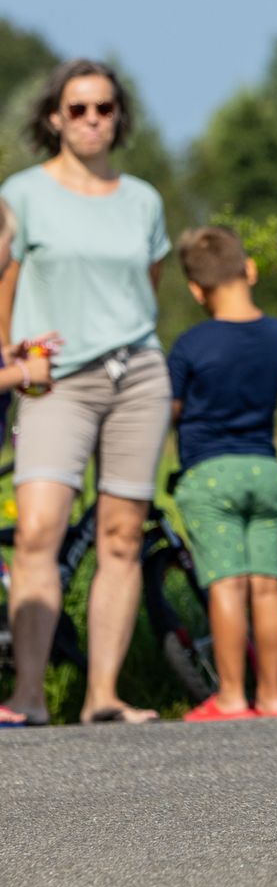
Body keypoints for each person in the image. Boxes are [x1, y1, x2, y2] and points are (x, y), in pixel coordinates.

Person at [0, 59, 173, 725]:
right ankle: (28, 695)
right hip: (57, 377)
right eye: (78, 109)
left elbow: (146, 285)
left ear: (118, 117)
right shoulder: (23, 193)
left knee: (122, 536)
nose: (93, 120)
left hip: (137, 373)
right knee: (38, 530)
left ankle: (103, 695)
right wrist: (9, 345)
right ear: (54, 119)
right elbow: (4, 277)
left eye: (104, 108)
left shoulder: (144, 200)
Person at [168, 226, 277, 721]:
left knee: (227, 585)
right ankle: (273, 697)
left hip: (210, 472)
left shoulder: (191, 345)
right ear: (250, 270)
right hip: (264, 468)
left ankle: (230, 697)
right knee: (266, 585)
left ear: (196, 291)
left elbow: (172, 408)